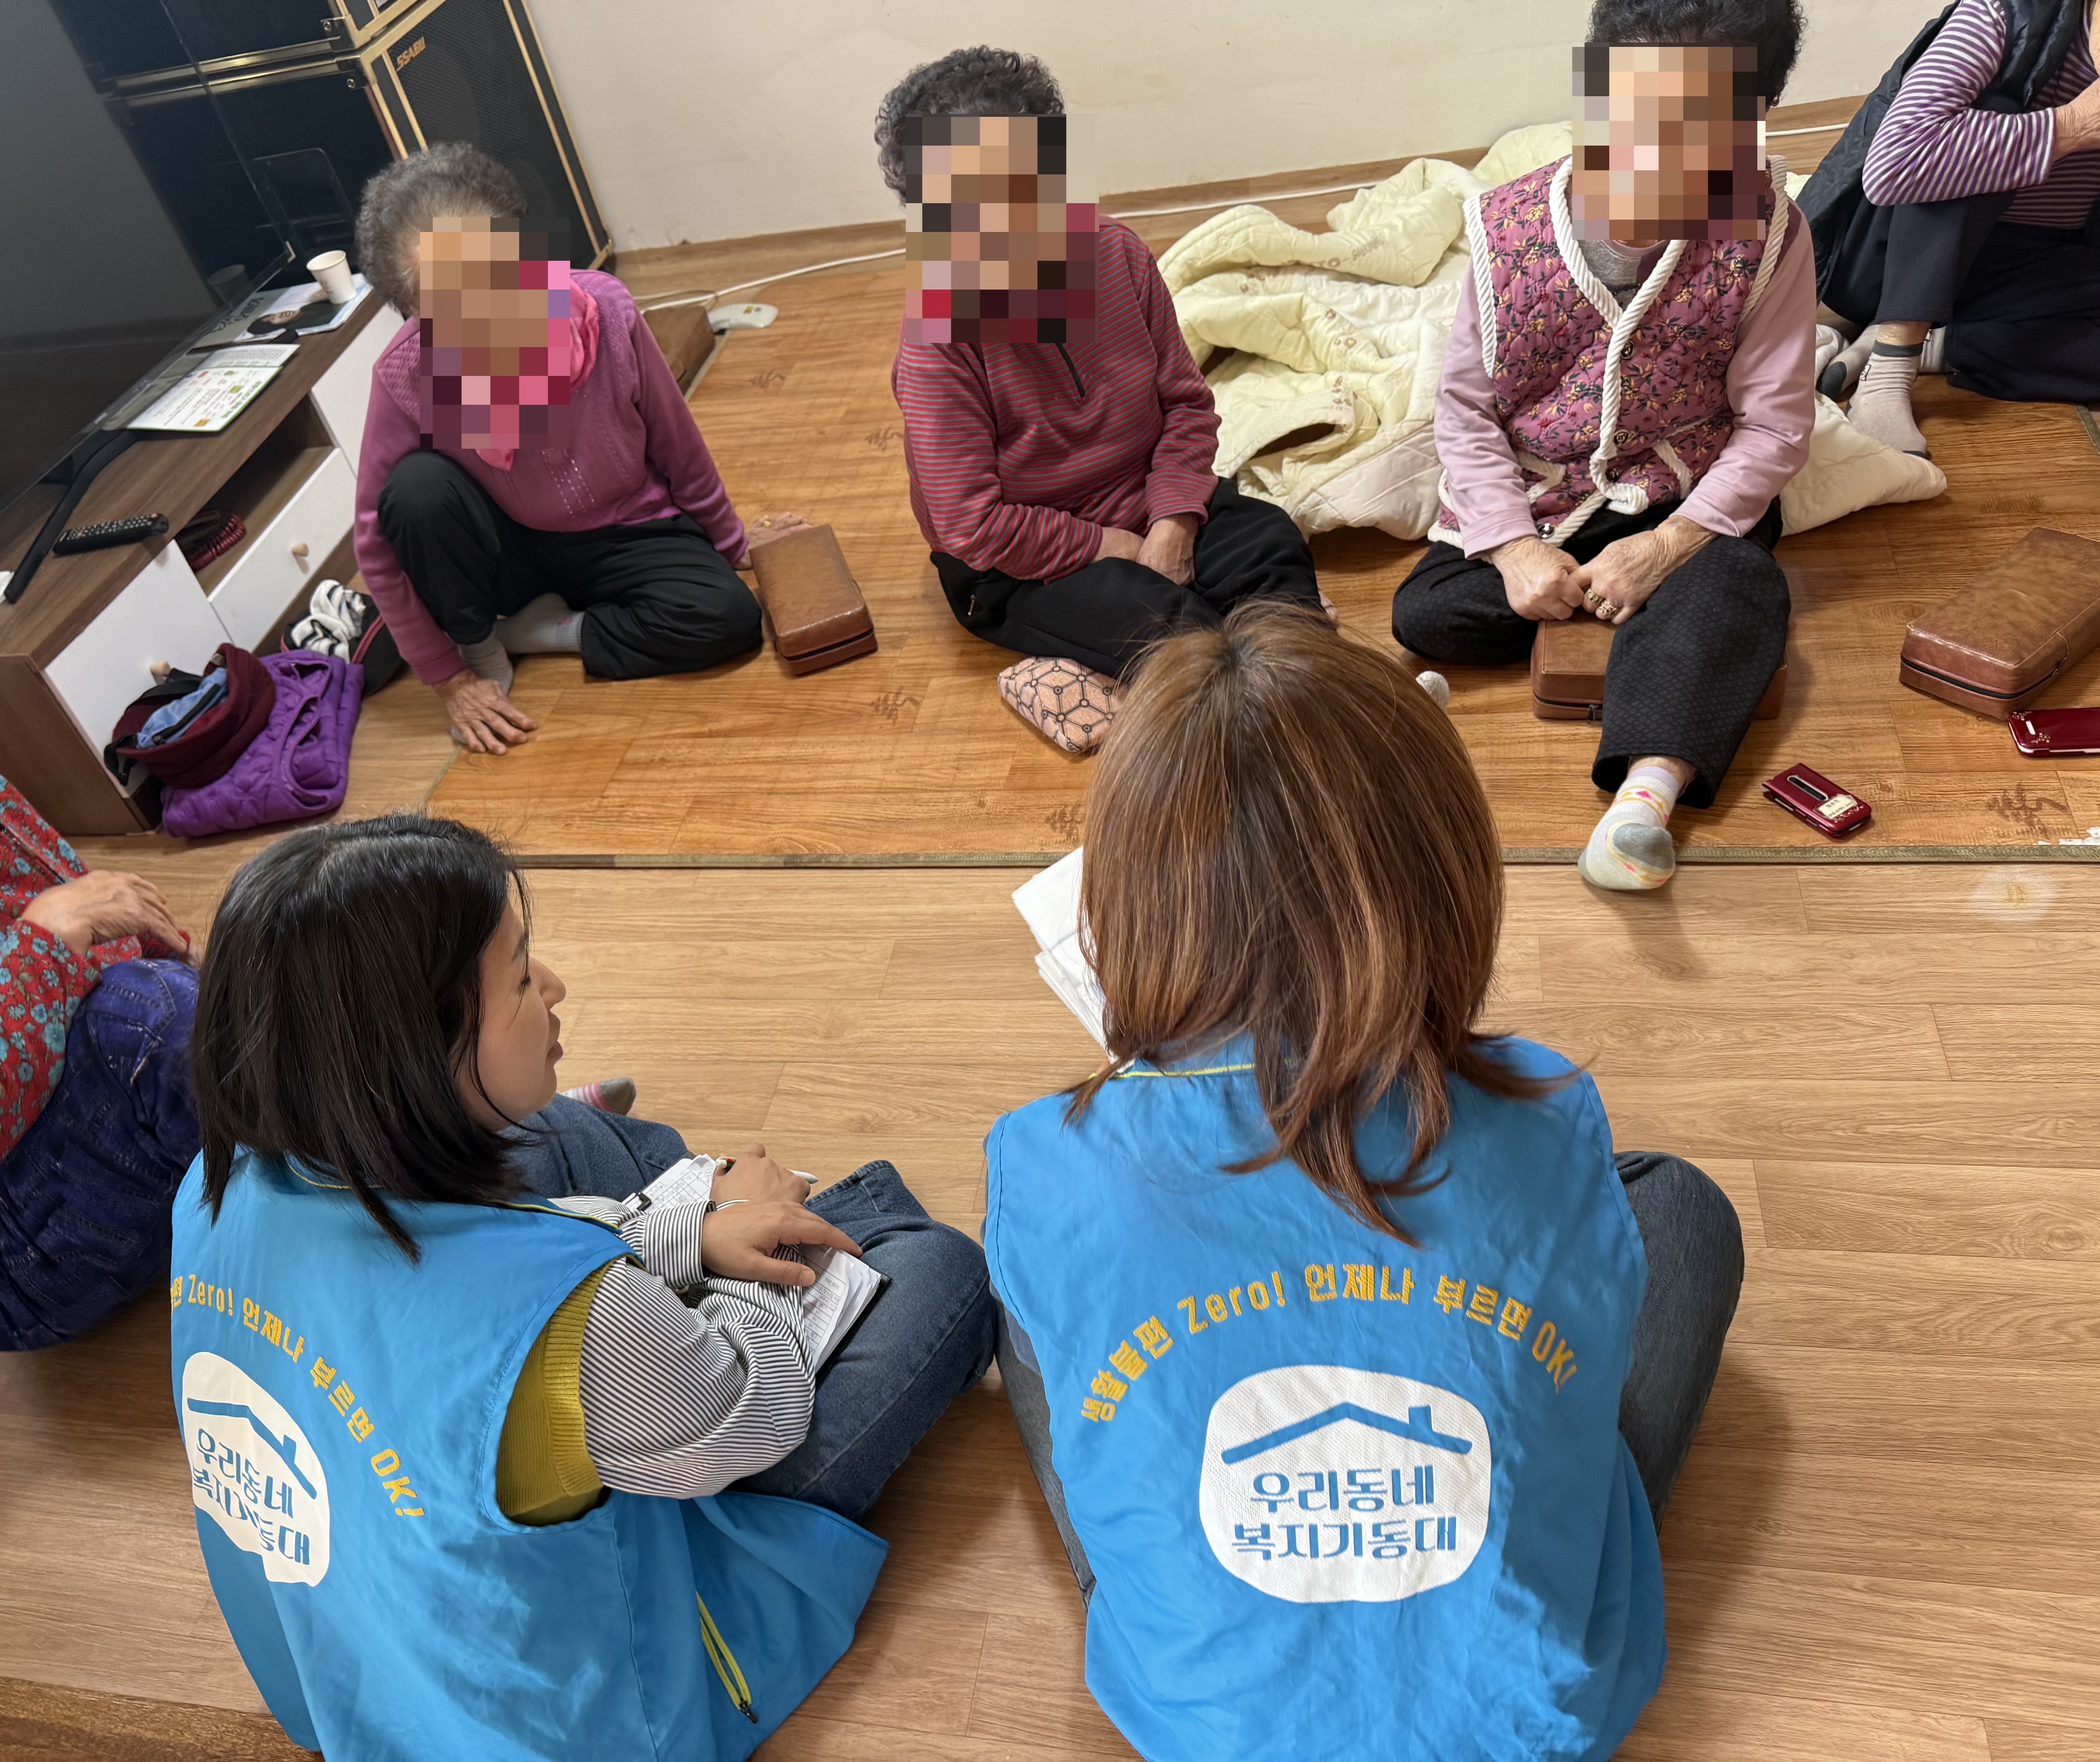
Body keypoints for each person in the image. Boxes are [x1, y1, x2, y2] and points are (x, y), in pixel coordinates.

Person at [987, 605, 1743, 1760]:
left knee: (1035, 1278)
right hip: (1528, 1721)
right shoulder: (1548, 1108)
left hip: (1201, 1721)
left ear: (1125, 901)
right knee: (1677, 1206)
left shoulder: (1043, 1151)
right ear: (1446, 877)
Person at [172, 815, 997, 1757]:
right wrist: (744, 1240)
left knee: (548, 1131)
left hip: (352, 1675)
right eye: (521, 978)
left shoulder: (210, 1188)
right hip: (594, 1695)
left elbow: (487, 1266)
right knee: (939, 1270)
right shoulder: (571, 1317)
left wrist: (686, 1232)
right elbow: (753, 1410)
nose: (555, 984)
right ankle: (803, 1205)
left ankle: (700, 1189)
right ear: (420, 1053)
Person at [1393, 0, 1815, 892]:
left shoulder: (1768, 230)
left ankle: (1643, 798)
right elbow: (1465, 412)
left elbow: (1775, 424)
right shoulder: (1506, 227)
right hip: (1546, 499)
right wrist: (1513, 550)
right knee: (1425, 616)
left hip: (1683, 493)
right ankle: (1654, 641)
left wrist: (1666, 548)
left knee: (1740, 580)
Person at [880, 47, 1324, 752]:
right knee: (1177, 637)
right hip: (1024, 561)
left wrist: (1173, 520)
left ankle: (1310, 703)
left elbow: (1186, 406)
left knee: (1270, 545)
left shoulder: (1116, 255)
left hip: (1149, 502)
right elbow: (971, 524)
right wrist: (1111, 546)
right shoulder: (937, 338)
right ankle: (1287, 740)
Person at [350, 145, 803, 754]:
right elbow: (376, 541)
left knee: (729, 618)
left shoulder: (606, 310)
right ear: (416, 314)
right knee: (416, 489)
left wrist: (733, 542)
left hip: (629, 529)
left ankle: (544, 632)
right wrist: (448, 678)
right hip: (511, 551)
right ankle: (482, 644)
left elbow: (677, 442)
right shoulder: (405, 374)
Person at [1804, 0, 2100, 458]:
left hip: (2027, 265)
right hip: (1894, 257)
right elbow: (1894, 166)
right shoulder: (2002, 14)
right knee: (1992, 111)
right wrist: (2075, 126)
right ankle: (1889, 367)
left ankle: (1936, 347)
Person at [1, 775, 197, 1350]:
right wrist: (49, 934)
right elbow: (58, 917)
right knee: (157, 1026)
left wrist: (175, 952)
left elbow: (55, 893)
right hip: (20, 1265)